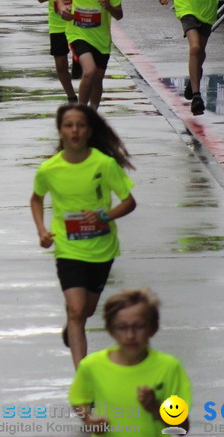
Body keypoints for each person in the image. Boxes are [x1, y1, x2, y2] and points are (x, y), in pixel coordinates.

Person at [31, 104, 137, 368]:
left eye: (80, 125)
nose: (74, 130)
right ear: (60, 131)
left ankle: (72, 323)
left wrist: (104, 216)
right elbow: (36, 199)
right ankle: (83, 378)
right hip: (68, 249)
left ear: (89, 131)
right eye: (68, 125)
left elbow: (129, 202)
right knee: (78, 310)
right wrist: (42, 230)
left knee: (86, 310)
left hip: (102, 248)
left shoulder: (104, 164)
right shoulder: (49, 169)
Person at [69, 289, 191, 434]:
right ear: (110, 329)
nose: (130, 335)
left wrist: (155, 407)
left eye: (139, 327)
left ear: (153, 328)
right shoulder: (91, 366)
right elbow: (78, 399)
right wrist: (88, 419)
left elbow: (183, 427)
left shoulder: (169, 367)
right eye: (122, 327)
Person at [55, 0, 122, 110]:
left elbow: (119, 14)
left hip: (101, 38)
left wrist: (108, 6)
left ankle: (93, 113)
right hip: (78, 33)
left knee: (97, 79)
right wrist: (62, 6)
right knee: (90, 71)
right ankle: (82, 111)